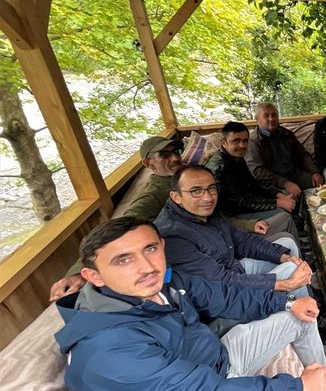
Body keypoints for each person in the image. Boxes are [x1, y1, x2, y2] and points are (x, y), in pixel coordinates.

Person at [54, 217, 326, 391]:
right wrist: (296, 389)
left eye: (149, 249)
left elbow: (226, 296)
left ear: (161, 247)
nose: (145, 266)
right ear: (93, 276)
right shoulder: (110, 353)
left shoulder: (163, 281)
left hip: (217, 356)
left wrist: (287, 300)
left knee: (298, 315)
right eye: (123, 260)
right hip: (215, 381)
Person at [49, 135, 295, 302]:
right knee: (285, 254)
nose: (175, 158)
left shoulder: (196, 178)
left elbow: (224, 223)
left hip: (224, 249)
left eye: (176, 151)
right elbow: (111, 233)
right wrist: (78, 272)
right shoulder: (154, 197)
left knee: (287, 250)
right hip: (205, 270)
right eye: (165, 155)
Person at [154, 165, 311, 298]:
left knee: (287, 247)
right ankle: (303, 307)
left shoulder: (204, 212)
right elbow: (221, 282)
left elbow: (241, 240)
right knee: (291, 270)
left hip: (233, 268)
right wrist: (284, 284)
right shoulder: (173, 236)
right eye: (196, 191)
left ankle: (305, 294)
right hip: (222, 297)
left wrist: (282, 256)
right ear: (176, 197)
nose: (207, 197)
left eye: (211, 188)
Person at [206, 122, 299, 227]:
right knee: (283, 215)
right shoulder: (221, 167)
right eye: (236, 141)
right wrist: (277, 203)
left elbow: (254, 184)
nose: (242, 145)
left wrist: (278, 194)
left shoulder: (237, 158)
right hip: (229, 217)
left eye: (245, 141)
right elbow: (239, 203)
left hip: (243, 204)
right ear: (224, 142)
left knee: (285, 196)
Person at [247, 102, 324, 197]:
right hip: (272, 182)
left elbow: (303, 155)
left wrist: (315, 172)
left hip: (294, 174)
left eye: (274, 115)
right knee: (291, 197)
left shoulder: (286, 133)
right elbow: (258, 171)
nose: (271, 119)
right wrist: (284, 183)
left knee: (321, 187)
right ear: (257, 120)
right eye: (266, 116)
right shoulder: (253, 140)